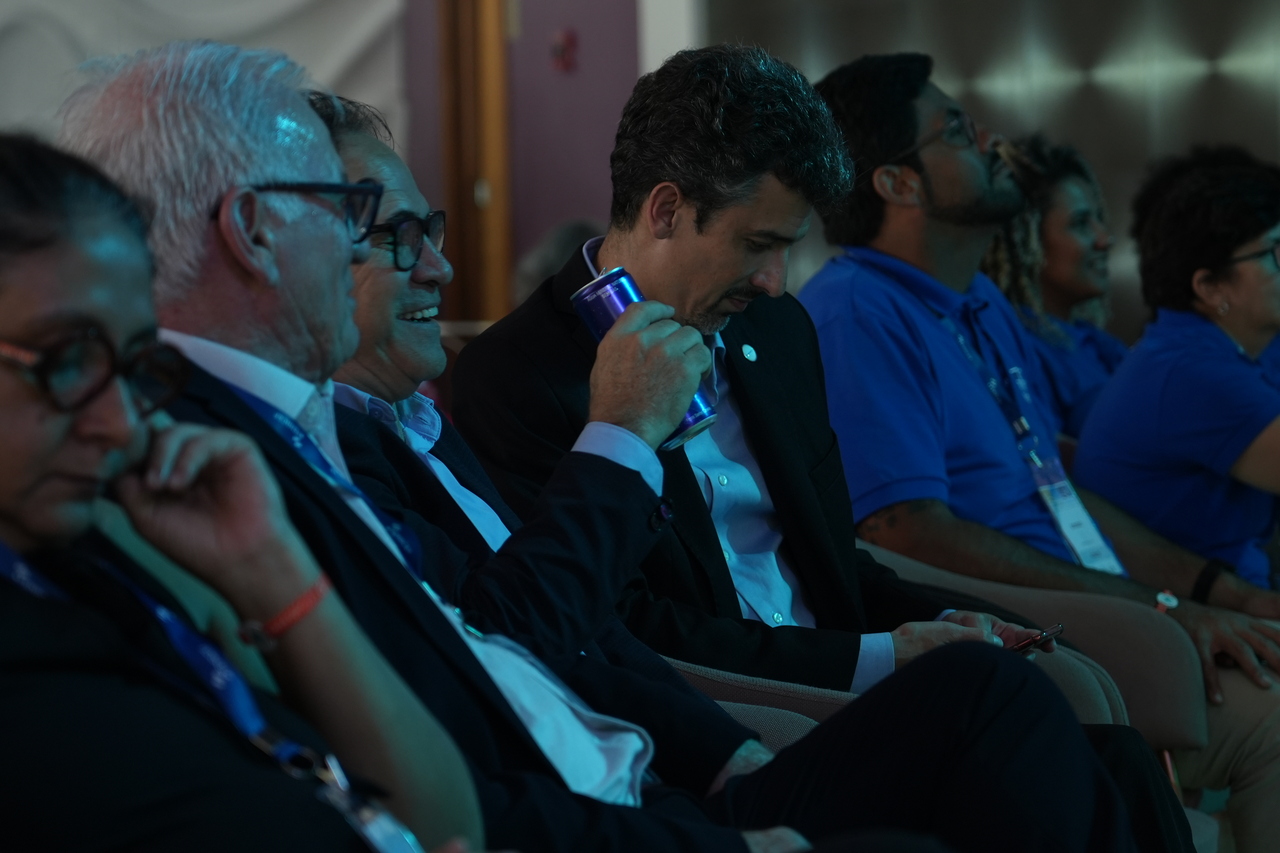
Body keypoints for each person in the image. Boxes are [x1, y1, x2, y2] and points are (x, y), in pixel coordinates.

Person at [56, 39, 1186, 853]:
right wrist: (621, 431)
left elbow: (529, 638)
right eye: (376, 229)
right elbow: (517, 654)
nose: (433, 267)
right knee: (988, 714)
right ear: (256, 231)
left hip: (659, 764)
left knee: (1101, 752)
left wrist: (731, 747)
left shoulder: (338, 436)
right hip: (614, 794)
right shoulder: (266, 452)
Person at [451, 42, 1088, 703]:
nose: (775, 283)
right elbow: (618, 625)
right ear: (666, 210)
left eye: (788, 248)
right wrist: (877, 659)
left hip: (854, 677)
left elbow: (831, 560)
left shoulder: (776, 330)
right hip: (722, 714)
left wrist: (942, 622)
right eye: (758, 245)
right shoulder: (515, 377)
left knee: (1069, 708)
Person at [800, 51, 1280, 852]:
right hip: (1022, 637)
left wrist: (1215, 590)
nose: (993, 142)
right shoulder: (858, 314)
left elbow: (1054, 485)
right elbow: (904, 532)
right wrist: (1157, 612)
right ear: (898, 182)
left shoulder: (980, 301)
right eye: (959, 131)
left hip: (1101, 611)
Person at [0, 135, 484, 851]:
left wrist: (272, 567)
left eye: (136, 368)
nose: (121, 424)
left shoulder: (88, 560)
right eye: (67, 361)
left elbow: (447, 820)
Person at [1075, 164, 1280, 591]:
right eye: (1275, 252)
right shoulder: (1193, 372)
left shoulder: (1209, 347)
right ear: (1210, 287)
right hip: (1190, 611)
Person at [981, 134, 1127, 439]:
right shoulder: (1019, 352)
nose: (1105, 239)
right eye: (1080, 223)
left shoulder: (1094, 342)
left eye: (1099, 219)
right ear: (1027, 241)